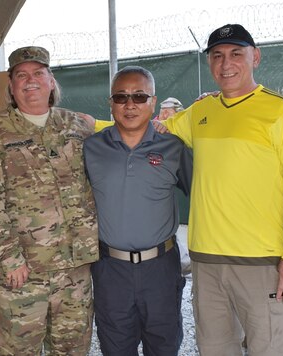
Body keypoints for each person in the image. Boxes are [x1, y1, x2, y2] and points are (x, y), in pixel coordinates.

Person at [163, 24, 283, 355]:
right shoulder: (200, 111)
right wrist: (85, 123)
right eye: (217, 55)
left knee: (270, 348)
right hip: (206, 262)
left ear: (255, 57)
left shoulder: (282, 111)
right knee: (214, 348)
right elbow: (148, 129)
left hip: (263, 262)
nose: (225, 63)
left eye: (235, 54)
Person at [0, 46, 98, 355]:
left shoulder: (77, 126)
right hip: (23, 272)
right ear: (11, 87)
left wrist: (161, 124)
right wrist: (7, 259)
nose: (31, 81)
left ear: (51, 81)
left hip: (75, 269)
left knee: (73, 349)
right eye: (21, 75)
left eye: (39, 73)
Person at [84, 66, 192, 355]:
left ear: (153, 102)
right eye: (120, 97)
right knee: (115, 347)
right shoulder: (91, 148)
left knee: (164, 346)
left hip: (161, 269)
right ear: (110, 103)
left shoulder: (174, 147)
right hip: (111, 270)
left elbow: (204, 195)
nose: (130, 105)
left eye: (139, 96)